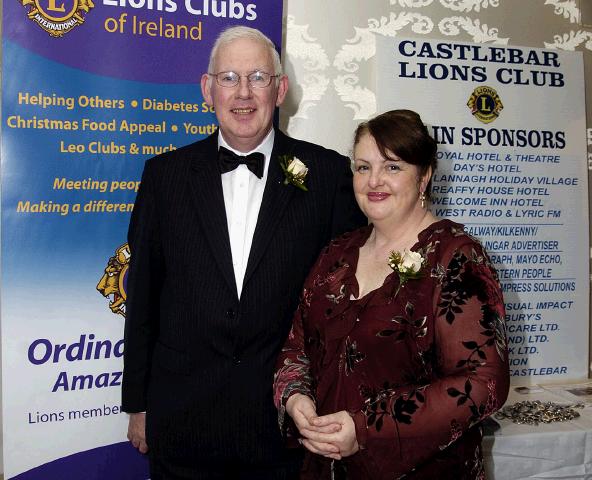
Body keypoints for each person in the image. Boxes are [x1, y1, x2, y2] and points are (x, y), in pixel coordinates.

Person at [122, 26, 365, 479]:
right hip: (182, 423)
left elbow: (344, 313)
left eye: (258, 77)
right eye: (229, 77)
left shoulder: (329, 175)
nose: (244, 92)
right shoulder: (163, 177)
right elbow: (143, 301)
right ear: (207, 89)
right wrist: (138, 404)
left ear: (281, 89)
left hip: (285, 428)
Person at [273, 109, 510, 479]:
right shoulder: (336, 253)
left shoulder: (457, 257)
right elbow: (296, 348)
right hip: (325, 467)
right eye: (363, 167)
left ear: (425, 176)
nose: (374, 180)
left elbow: (483, 383)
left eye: (393, 167)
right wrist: (296, 399)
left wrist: (367, 430)